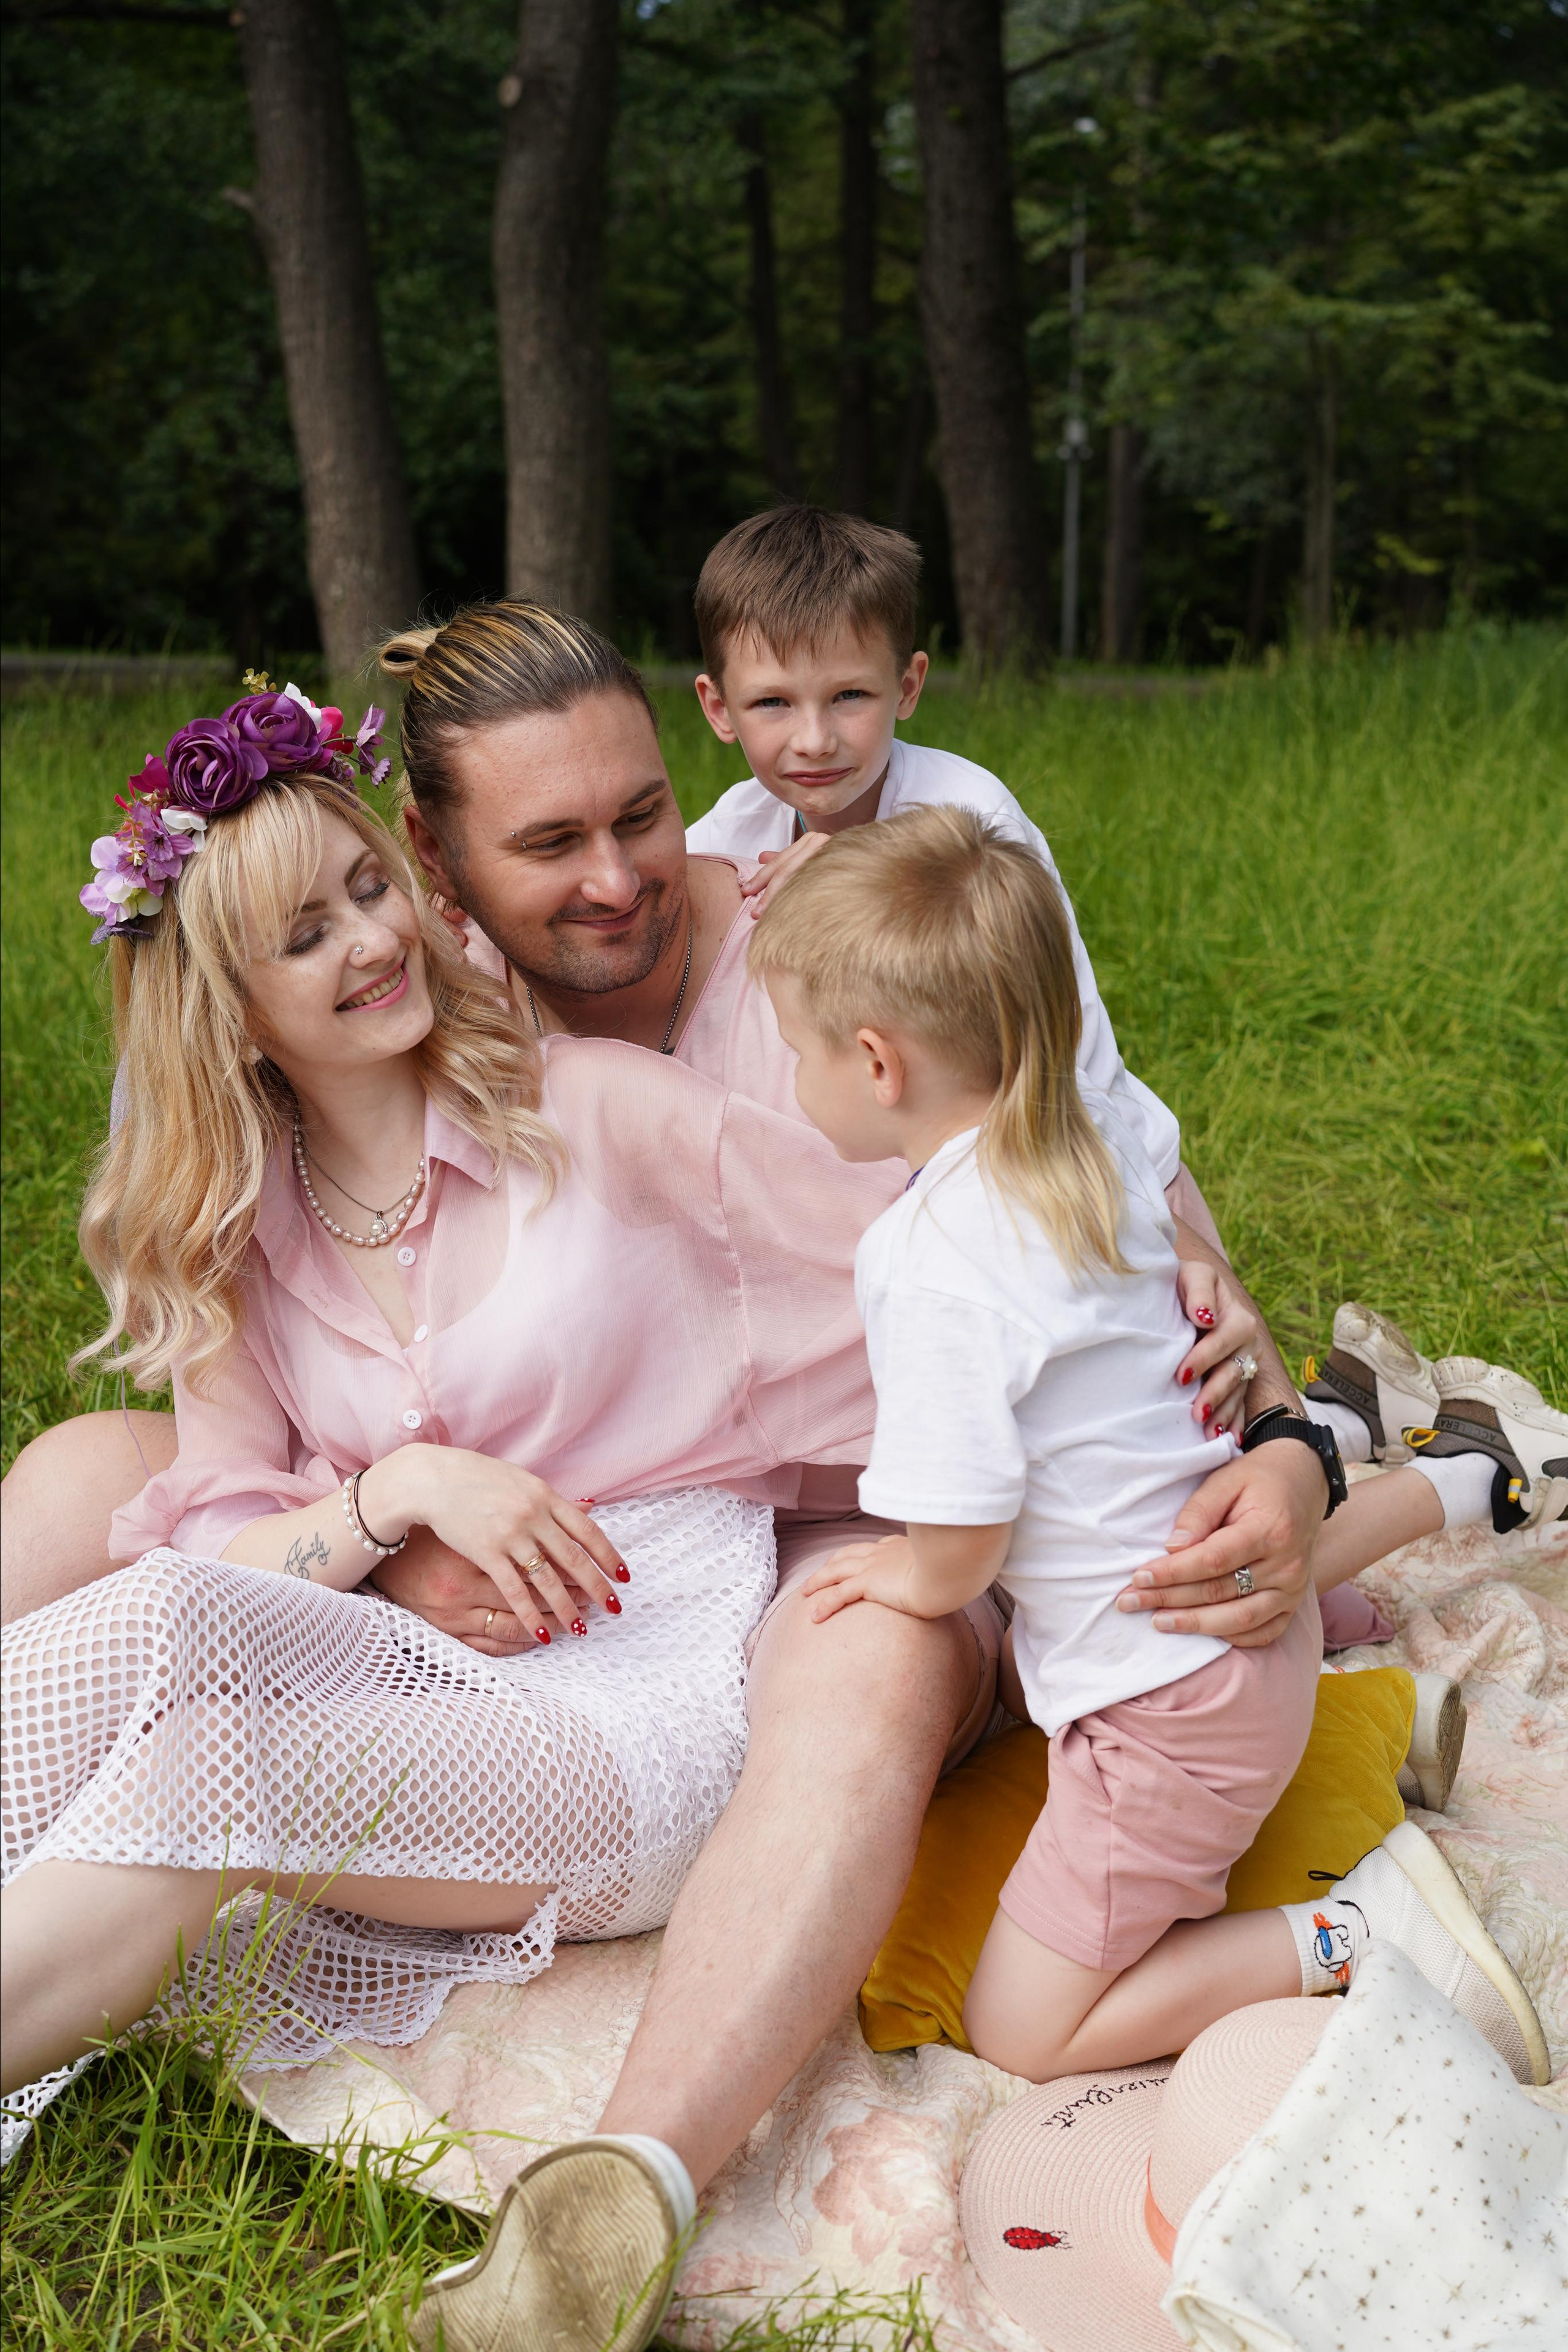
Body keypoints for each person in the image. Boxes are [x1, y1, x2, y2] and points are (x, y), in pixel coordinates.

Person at [0, 606, 1409, 2350]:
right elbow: (218, 1511)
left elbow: (1047, 1193)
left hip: (792, 1540)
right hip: (436, 1576)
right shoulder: (332, 1124)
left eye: (643, 817)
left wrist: (1273, 1439)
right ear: (440, 858)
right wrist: (392, 1515)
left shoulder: (762, 993)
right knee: (85, 1494)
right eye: (550, 845)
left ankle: (623, 2189)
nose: (618, 877)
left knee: (855, 1638)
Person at [745, 806, 1550, 2093]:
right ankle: (1395, 1624)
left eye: (795, 1053)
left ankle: (1355, 1933)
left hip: (1166, 1714)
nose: (791, 1080)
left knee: (1023, 2026)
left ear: (876, 1063)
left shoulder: (924, 1261)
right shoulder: (1090, 1158)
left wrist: (901, 1580)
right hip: (1247, 1643)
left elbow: (957, 1540)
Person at [685, 505, 1566, 1557]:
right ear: (716, 707)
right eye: (773, 703)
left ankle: (1452, 1469)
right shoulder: (732, 836)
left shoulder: (968, 821)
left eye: (851, 697)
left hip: (1090, 1180)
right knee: (1125, 1486)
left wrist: (1166, 1234)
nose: (815, 737)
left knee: (1204, 1499)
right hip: (955, 1209)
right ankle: (1350, 1421)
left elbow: (1064, 1058)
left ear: (909, 686)